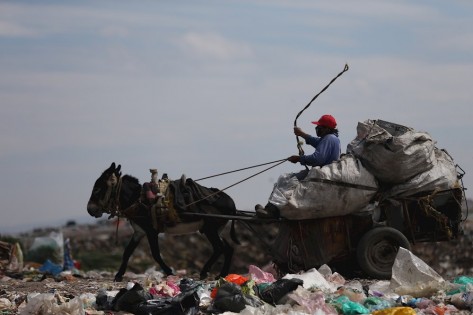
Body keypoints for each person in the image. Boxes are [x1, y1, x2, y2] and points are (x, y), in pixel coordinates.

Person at [256, 114, 341, 218]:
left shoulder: (329, 139)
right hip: (322, 174)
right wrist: (302, 134)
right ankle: (271, 208)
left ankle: (272, 211)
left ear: (326, 129)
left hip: (320, 176)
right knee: (286, 179)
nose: (316, 128)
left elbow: (318, 158)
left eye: (319, 127)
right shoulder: (331, 138)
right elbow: (316, 142)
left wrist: (299, 158)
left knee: (285, 180)